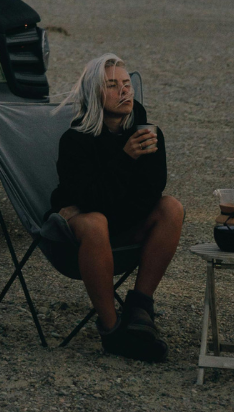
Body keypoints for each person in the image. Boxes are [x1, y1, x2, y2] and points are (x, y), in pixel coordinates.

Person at [52, 53, 185, 361]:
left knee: (171, 208)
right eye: (112, 85)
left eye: (127, 84)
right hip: (80, 238)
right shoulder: (75, 141)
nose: (124, 92)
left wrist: (87, 202)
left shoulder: (147, 135)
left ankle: (140, 308)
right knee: (95, 220)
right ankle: (113, 331)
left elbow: (150, 195)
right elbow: (89, 201)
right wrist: (125, 159)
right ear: (94, 92)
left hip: (124, 227)